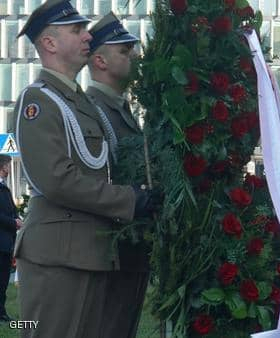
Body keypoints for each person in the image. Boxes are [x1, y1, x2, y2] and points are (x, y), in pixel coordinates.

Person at [14, 1, 154, 337]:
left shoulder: (79, 103)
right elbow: (56, 179)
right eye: (76, 31)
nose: (86, 38)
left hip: (89, 253)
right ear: (49, 43)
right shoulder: (39, 100)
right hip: (57, 256)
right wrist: (129, 200)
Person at [86, 13, 148, 338]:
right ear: (100, 60)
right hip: (110, 252)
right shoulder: (92, 110)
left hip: (130, 252)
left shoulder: (120, 110)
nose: (134, 56)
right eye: (124, 51)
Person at [0, 155, 21, 322]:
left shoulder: (4, 188)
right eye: (7, 165)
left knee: (3, 281)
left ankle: (1, 312)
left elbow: (11, 209)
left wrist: (18, 218)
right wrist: (14, 222)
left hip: (6, 242)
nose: (9, 169)